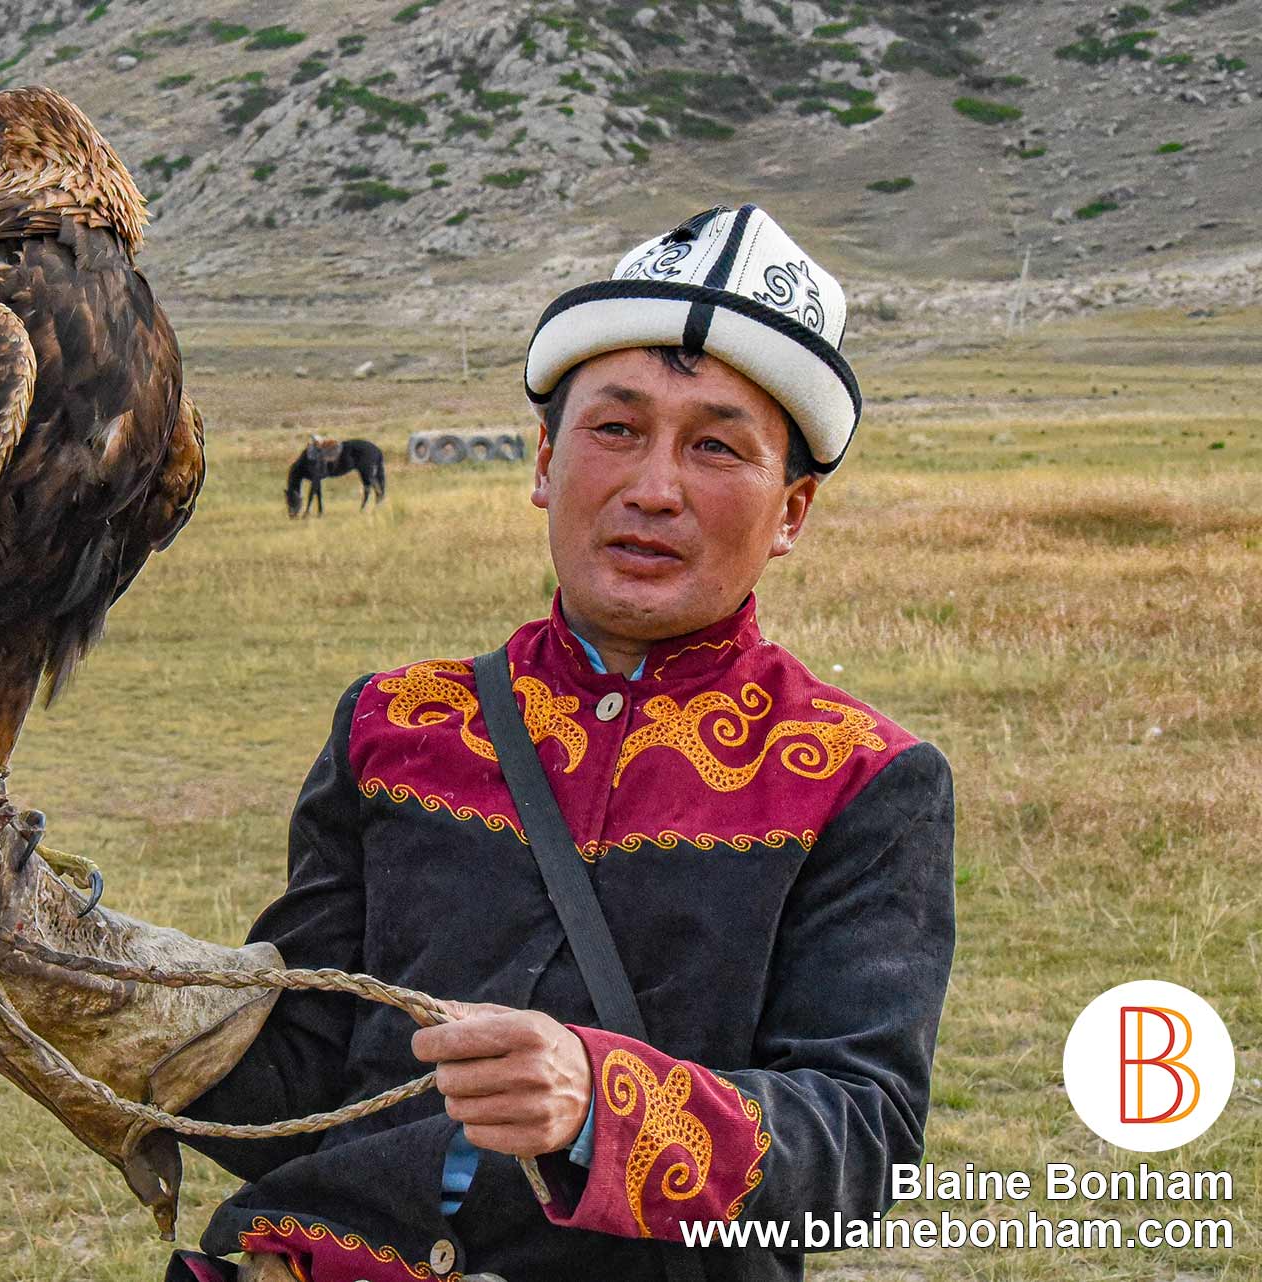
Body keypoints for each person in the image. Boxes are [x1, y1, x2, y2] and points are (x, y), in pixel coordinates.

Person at [166, 204, 957, 1282]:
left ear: (791, 513)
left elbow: (862, 1142)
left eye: (717, 446)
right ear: (544, 461)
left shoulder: (862, 780)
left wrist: (604, 1103)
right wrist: (96, 991)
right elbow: (304, 1081)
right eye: (616, 430)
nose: (654, 489)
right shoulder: (393, 725)